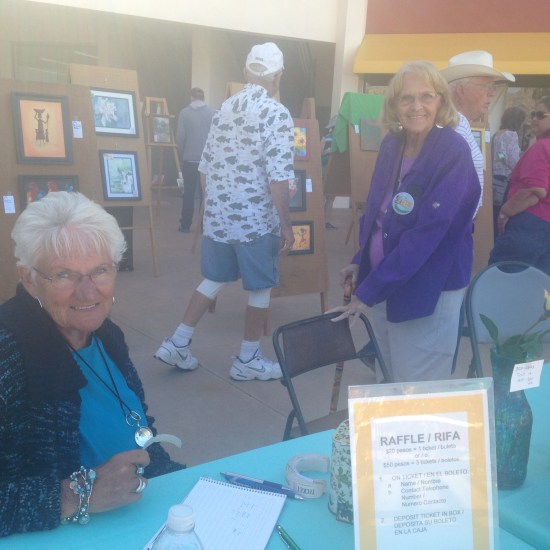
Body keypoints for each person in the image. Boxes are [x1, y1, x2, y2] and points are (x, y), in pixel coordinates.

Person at [0, 192, 182, 537]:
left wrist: (181, 482)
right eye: (64, 275)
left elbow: (137, 425)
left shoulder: (106, 335)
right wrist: (76, 495)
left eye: (100, 270)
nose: (88, 293)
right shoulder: (7, 356)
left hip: (145, 519)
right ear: (29, 279)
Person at [329, 61, 480, 383]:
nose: (416, 106)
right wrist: (363, 259)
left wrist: (369, 291)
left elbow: (428, 234)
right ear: (394, 104)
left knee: (416, 385)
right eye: (406, 98)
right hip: (389, 276)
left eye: (426, 96)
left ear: (441, 101)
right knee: (388, 374)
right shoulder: (392, 144)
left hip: (429, 284)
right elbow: (379, 213)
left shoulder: (452, 150)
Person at [154, 42, 295, 381]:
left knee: (215, 278)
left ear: (246, 72)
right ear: (278, 76)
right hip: (256, 219)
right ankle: (248, 358)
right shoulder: (276, 113)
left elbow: (205, 168)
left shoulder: (224, 109)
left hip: (220, 216)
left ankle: (179, 341)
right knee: (260, 287)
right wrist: (287, 226)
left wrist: (214, 208)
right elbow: (278, 178)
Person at [441, 50, 515, 216]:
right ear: (461, 90)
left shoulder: (458, 124)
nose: (492, 93)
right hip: (451, 225)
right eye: (485, 86)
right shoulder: (454, 127)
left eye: (492, 87)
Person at [489, 97, 550, 275]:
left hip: (529, 223)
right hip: (544, 225)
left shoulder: (542, 147)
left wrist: (505, 211)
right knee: (538, 283)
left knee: (502, 276)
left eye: (541, 115)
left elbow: (536, 190)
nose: (534, 119)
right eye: (533, 114)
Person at [176, 87, 214, 233]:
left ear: (191, 97)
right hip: (207, 160)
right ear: (203, 98)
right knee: (206, 194)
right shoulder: (212, 113)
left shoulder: (184, 113)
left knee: (189, 193)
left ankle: (185, 224)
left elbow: (180, 137)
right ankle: (204, 225)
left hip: (189, 159)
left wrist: (183, 152)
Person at [491, 106, 526, 239]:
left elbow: (499, 154)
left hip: (494, 176)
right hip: (506, 178)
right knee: (502, 212)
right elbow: (509, 158)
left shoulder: (497, 134)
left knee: (493, 211)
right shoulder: (511, 135)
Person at [322, 116, 337, 229]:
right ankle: (324, 221)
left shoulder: (325, 138)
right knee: (328, 197)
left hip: (328, 170)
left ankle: (323, 221)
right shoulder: (328, 139)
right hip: (327, 170)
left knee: (329, 197)